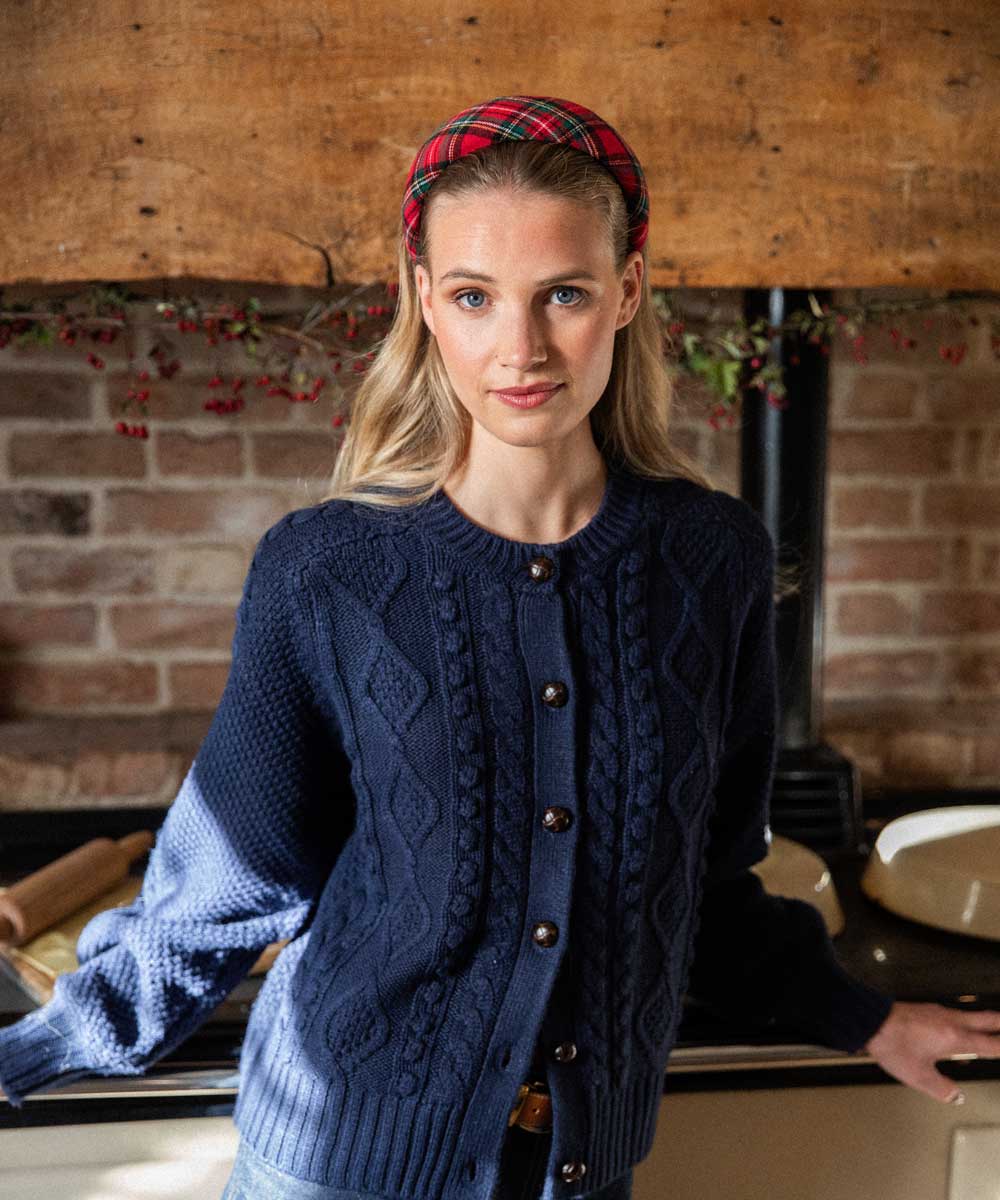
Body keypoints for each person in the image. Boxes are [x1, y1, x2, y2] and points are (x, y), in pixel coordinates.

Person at [1, 94, 998, 1200]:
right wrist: (26, 1057)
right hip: (341, 1166)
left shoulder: (711, 561)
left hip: (576, 1173)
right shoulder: (329, 570)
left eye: (561, 294)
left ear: (625, 292)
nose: (519, 347)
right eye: (475, 296)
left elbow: (701, 883)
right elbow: (227, 887)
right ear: (426, 303)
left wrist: (862, 1016)